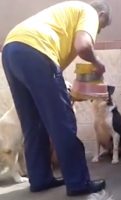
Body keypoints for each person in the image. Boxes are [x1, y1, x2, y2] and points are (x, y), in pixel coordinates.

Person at [1, 0, 111, 196]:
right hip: (35, 51)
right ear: (101, 15)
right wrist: (97, 62)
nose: (97, 32)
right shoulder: (90, 12)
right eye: (100, 29)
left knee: (32, 123)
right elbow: (84, 46)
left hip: (11, 50)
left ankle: (40, 178)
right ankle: (79, 182)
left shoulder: (66, 15)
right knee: (62, 122)